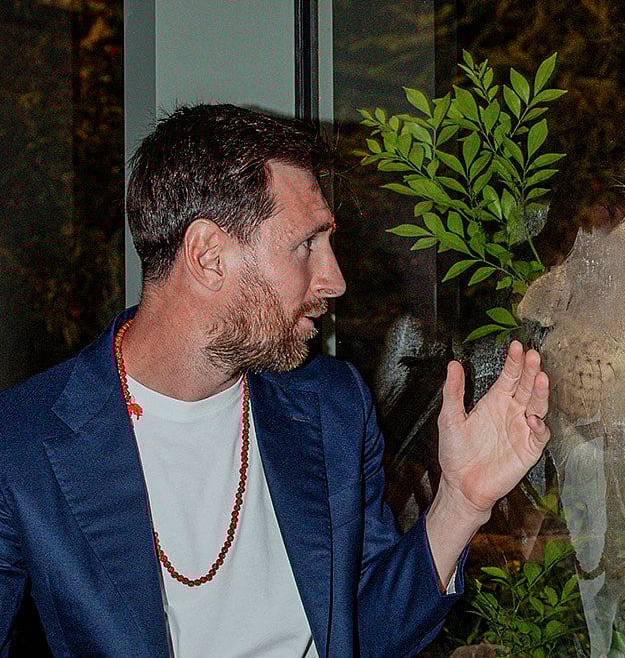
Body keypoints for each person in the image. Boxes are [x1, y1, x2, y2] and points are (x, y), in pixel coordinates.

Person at [0, 104, 550, 657]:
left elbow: (365, 635)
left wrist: (461, 503)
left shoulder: (331, 405)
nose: (334, 279)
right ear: (209, 255)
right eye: (307, 244)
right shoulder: (23, 444)